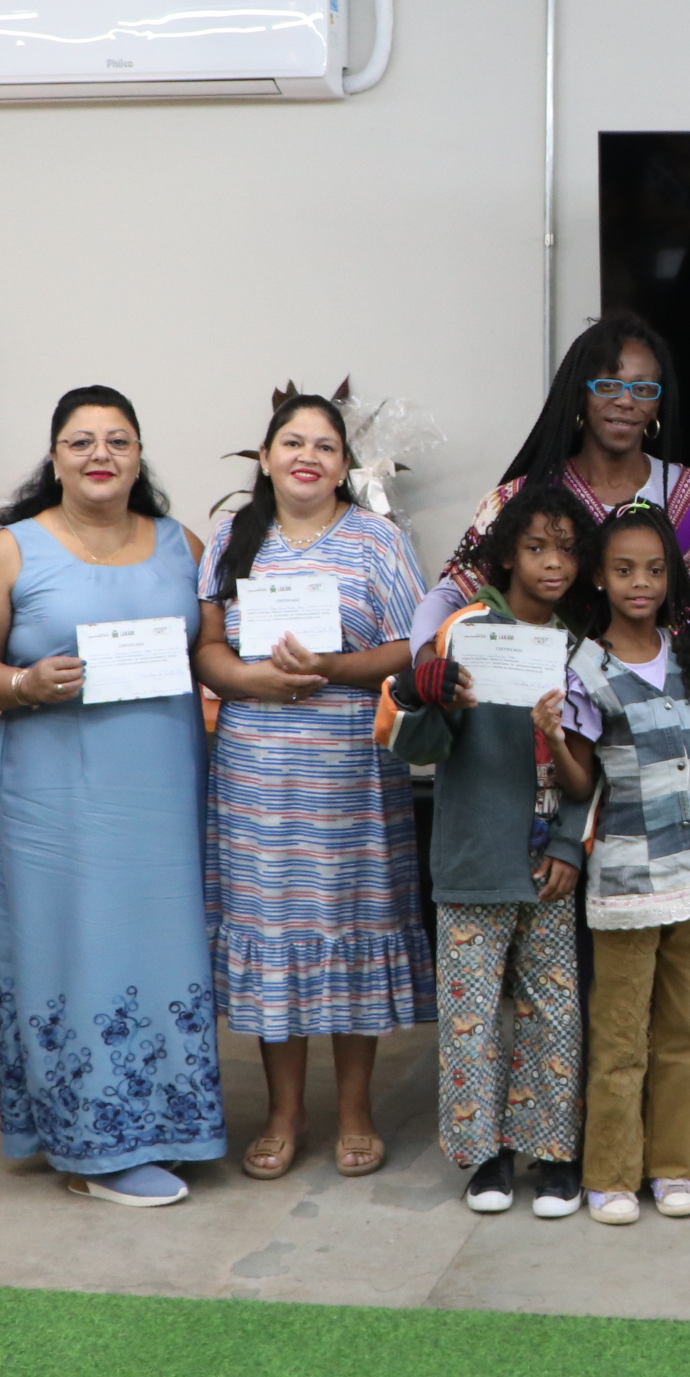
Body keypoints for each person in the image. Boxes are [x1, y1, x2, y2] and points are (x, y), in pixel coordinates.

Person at [0, 386, 226, 1208]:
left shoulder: (181, 544)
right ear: (55, 457)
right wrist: (22, 683)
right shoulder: (12, 551)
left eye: (118, 440)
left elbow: (211, 649)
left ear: (139, 456)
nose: (101, 454)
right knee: (77, 948)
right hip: (58, 796)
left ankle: (167, 1123)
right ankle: (89, 1146)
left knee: (165, 948)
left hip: (162, 789)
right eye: (81, 440)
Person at [193, 390, 429, 1181]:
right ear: (265, 458)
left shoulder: (378, 540)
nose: (308, 456)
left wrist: (332, 667)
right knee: (276, 934)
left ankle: (355, 1110)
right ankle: (284, 1112)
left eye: (325, 446)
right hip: (256, 775)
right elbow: (208, 647)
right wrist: (249, 682)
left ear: (343, 465)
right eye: (292, 442)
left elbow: (411, 647)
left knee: (350, 926)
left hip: (351, 772)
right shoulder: (233, 535)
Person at [553, 503, 690, 1226]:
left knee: (688, 1034)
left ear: (671, 579)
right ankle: (610, 1173)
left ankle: (675, 1167)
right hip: (629, 880)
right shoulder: (583, 667)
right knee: (620, 1034)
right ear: (600, 578)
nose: (641, 583)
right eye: (625, 569)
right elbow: (580, 783)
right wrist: (554, 738)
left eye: (655, 570)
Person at [411, 486, 597, 1218]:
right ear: (508, 556)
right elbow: (419, 748)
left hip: (548, 866)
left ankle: (552, 1153)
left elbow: (595, 764)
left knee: (555, 1009)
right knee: (470, 1014)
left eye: (567, 550)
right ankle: (484, 1156)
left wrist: (572, 849)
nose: (553, 563)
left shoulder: (581, 649)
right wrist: (432, 699)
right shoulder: (465, 633)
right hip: (473, 859)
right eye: (536, 547)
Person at [418, 315, 690, 641]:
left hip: (672, 673)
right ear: (580, 394)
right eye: (608, 385)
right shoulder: (523, 497)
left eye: (642, 389)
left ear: (657, 405)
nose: (626, 400)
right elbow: (452, 597)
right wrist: (426, 653)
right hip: (548, 674)